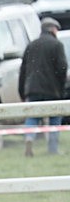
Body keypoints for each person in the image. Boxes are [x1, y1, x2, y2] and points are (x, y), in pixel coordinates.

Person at [18, 17, 68, 156]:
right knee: (54, 118)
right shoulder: (57, 45)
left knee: (33, 117)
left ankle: (29, 138)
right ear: (52, 29)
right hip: (52, 90)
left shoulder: (31, 45)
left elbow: (23, 71)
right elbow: (62, 68)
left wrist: (22, 92)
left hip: (33, 89)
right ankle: (53, 149)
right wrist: (61, 87)